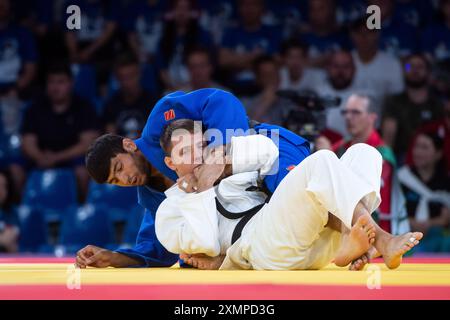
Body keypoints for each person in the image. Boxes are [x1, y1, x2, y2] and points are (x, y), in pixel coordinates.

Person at [76, 88, 310, 268]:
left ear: (128, 145)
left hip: (269, 149)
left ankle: (347, 241)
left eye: (119, 168)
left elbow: (220, 100)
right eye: (114, 180)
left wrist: (218, 156)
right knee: (192, 255)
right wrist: (114, 258)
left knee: (300, 194)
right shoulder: (151, 196)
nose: (124, 178)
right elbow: (157, 248)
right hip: (249, 202)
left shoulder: (161, 120)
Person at [154, 119, 423, 271]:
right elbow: (207, 244)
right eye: (186, 152)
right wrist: (202, 187)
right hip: (264, 249)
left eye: (202, 146)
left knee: (364, 153)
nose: (199, 156)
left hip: (310, 244)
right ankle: (382, 240)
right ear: (170, 163)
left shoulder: (224, 165)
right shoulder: (169, 211)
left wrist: (225, 158)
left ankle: (346, 242)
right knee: (322, 161)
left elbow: (267, 150)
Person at [329, 93, 409, 235]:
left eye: (356, 112)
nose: (348, 117)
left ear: (372, 118)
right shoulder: (339, 147)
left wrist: (327, 156)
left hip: (378, 233)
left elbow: (363, 197)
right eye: (345, 112)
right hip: (347, 229)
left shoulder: (382, 154)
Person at [20, 62, 100, 201]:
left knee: (83, 171)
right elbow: (27, 142)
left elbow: (88, 143)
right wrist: (40, 158)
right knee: (16, 170)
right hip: (41, 158)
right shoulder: (35, 108)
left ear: (71, 83)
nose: (55, 87)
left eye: (61, 82)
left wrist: (56, 158)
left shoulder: (83, 107)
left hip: (71, 158)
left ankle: (81, 212)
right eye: (51, 82)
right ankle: (21, 212)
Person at [381, 54, 444, 160]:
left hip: (432, 160)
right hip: (401, 158)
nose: (414, 70)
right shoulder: (394, 102)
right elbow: (388, 137)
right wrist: (386, 162)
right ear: (403, 71)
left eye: (420, 67)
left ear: (428, 72)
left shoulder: (437, 105)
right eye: (409, 67)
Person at [398, 131, 450, 252]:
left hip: (438, 239)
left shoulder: (445, 182)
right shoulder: (402, 177)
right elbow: (396, 211)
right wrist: (413, 223)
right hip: (406, 235)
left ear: (438, 154)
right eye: (417, 146)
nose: (418, 152)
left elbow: (446, 218)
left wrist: (430, 224)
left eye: (424, 147)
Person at [103, 53, 157, 140]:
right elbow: (111, 139)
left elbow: (155, 136)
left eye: (131, 76)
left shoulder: (153, 102)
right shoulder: (111, 105)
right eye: (123, 78)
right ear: (117, 79)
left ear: (139, 74)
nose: (128, 82)